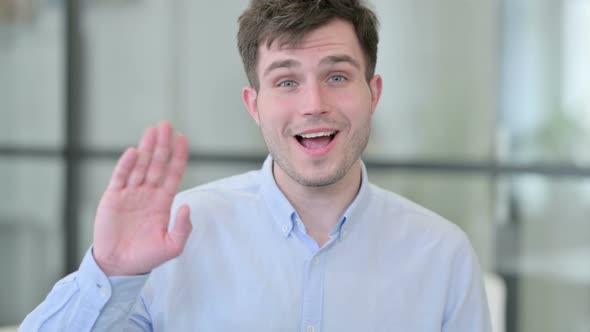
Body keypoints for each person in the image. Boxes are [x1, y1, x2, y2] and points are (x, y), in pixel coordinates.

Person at [20, 0, 492, 331]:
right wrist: (110, 273)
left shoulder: (442, 255)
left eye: (337, 76)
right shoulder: (173, 239)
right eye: (286, 81)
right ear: (254, 104)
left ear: (374, 94)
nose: (314, 103)